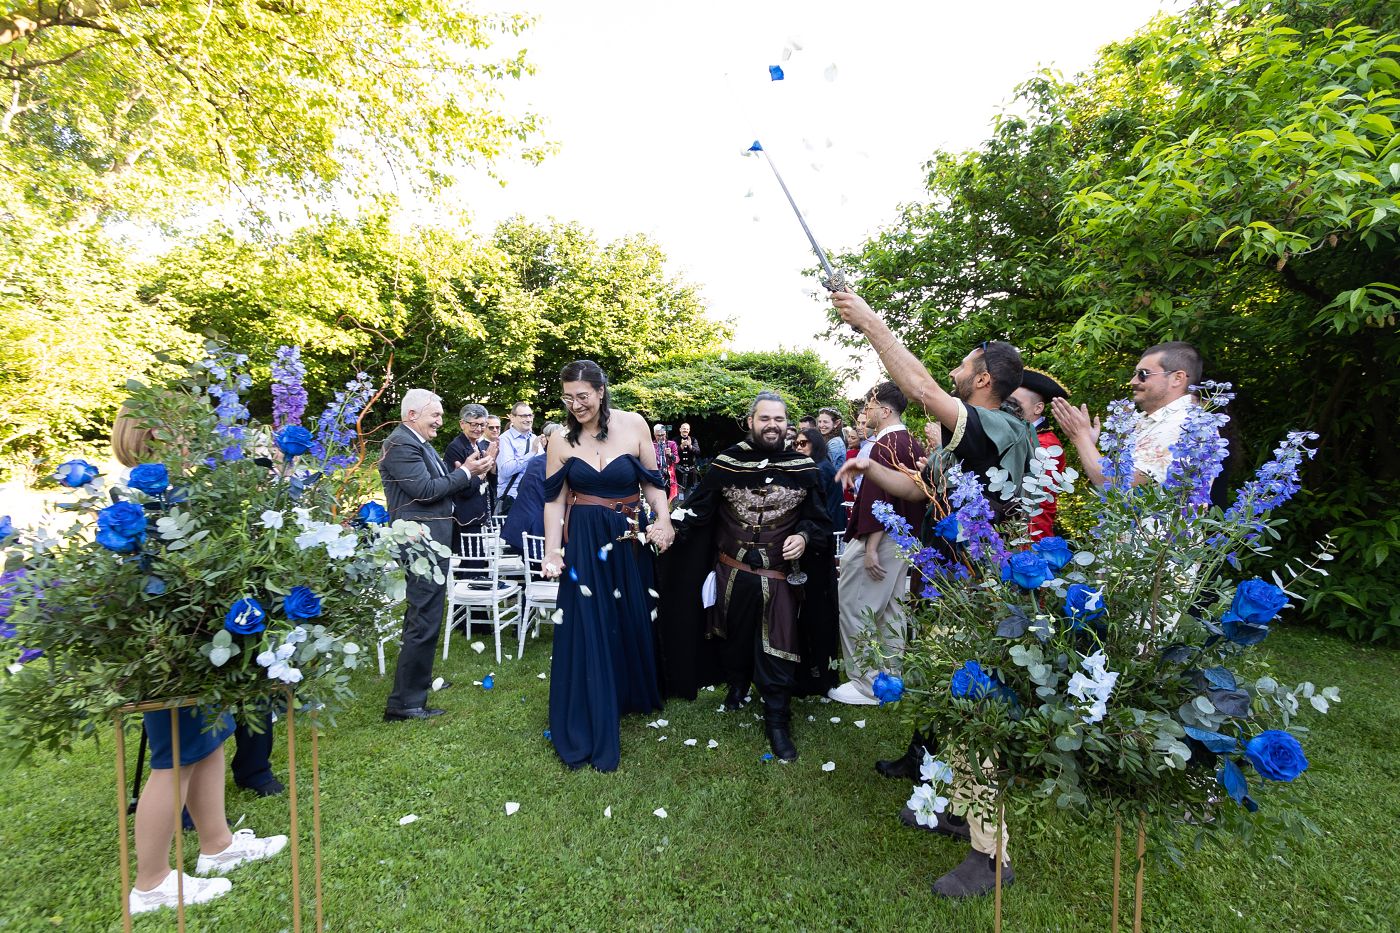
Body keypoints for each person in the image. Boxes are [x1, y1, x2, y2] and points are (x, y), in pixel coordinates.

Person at [834, 290, 1032, 899]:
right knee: (954, 706)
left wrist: (869, 322)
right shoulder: (962, 441)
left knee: (978, 715)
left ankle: (991, 855)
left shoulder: (1001, 427)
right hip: (952, 588)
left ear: (983, 378)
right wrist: (868, 468)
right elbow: (917, 493)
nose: (954, 371)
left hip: (982, 594)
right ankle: (956, 809)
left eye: (964, 364)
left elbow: (919, 388)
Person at [111, 406, 287, 915]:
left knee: (209, 743)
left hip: (201, 645)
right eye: (184, 427)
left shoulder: (174, 492)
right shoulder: (142, 502)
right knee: (173, 763)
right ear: (158, 434)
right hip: (172, 650)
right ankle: (151, 883)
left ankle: (217, 844)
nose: (193, 436)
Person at [661, 392, 833, 761]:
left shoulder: (803, 468)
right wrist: (668, 527)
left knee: (779, 645)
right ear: (750, 421)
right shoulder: (727, 463)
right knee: (733, 637)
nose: (772, 425)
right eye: (764, 419)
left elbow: (819, 520)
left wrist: (804, 537)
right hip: (732, 572)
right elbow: (698, 510)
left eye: (779, 419)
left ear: (787, 424)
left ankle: (777, 719)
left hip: (778, 576)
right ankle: (737, 686)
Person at [540, 361, 675, 772]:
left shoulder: (634, 425)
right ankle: (592, 702)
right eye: (568, 398)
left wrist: (664, 519)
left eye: (583, 396)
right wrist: (552, 551)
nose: (576, 405)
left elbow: (653, 483)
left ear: (601, 391)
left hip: (627, 534)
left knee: (628, 613)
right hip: (583, 538)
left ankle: (628, 692)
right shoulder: (560, 439)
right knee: (588, 619)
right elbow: (554, 501)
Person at [380, 389, 480, 722]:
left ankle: (416, 684)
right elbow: (424, 491)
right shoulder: (401, 444)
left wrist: (470, 473)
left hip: (432, 542)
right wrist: (464, 472)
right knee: (423, 618)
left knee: (425, 616)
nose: (440, 420)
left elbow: (442, 485)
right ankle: (405, 704)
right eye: (434, 414)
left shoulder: (419, 443)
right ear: (412, 415)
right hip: (419, 544)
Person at [828, 382, 925, 707]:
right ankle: (889, 679)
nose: (865, 412)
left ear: (885, 410)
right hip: (902, 540)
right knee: (891, 610)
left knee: (857, 606)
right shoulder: (909, 441)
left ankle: (867, 685)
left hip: (880, 540)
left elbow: (882, 500)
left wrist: (870, 547)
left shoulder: (887, 444)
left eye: (869, 406)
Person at [1051, 342, 1205, 490]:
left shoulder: (1182, 425)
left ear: (1177, 378)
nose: (1132, 381)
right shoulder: (1156, 420)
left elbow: (1116, 485)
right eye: (1135, 374)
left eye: (1143, 374)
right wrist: (1089, 446)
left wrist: (1081, 437)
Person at [1010, 369, 1070, 540]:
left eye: (1015, 403)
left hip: (1030, 536)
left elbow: (1032, 498)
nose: (1007, 409)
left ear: (1038, 408)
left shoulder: (1047, 445)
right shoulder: (1017, 434)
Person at [443, 404, 499, 552]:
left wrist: (492, 464)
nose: (478, 429)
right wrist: (484, 469)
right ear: (462, 424)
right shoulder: (456, 447)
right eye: (474, 424)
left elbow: (491, 481)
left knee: (481, 558)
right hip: (465, 515)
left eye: (482, 425)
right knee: (472, 561)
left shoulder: (479, 445)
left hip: (480, 511)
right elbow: (461, 487)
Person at [500, 421, 561, 554]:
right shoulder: (556, 462)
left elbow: (520, 488)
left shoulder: (536, 461)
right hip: (538, 528)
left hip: (520, 525)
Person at [796, 427, 845, 533]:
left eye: (803, 443)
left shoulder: (820, 469)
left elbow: (815, 505)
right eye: (796, 444)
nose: (798, 447)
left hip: (827, 527)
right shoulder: (820, 463)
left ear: (815, 444)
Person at [495, 401, 536, 515]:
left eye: (530, 415)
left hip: (533, 498)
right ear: (512, 418)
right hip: (512, 500)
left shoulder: (534, 438)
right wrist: (532, 453)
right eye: (523, 416)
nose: (528, 419)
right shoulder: (505, 439)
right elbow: (506, 470)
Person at [653, 424, 679, 499]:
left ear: (665, 433)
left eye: (663, 435)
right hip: (656, 473)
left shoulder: (671, 444)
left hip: (669, 474)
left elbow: (677, 460)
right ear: (654, 434)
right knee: (657, 496)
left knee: (668, 495)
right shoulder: (651, 445)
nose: (661, 437)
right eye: (658, 435)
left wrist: (670, 454)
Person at [676, 423, 701, 496]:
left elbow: (698, 452)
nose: (685, 430)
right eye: (684, 428)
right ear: (680, 429)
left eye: (687, 429)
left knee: (689, 491)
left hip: (690, 471)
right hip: (678, 471)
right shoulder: (675, 439)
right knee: (678, 492)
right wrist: (682, 446)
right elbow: (673, 453)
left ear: (689, 430)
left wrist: (690, 446)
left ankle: (687, 503)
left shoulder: (693, 440)